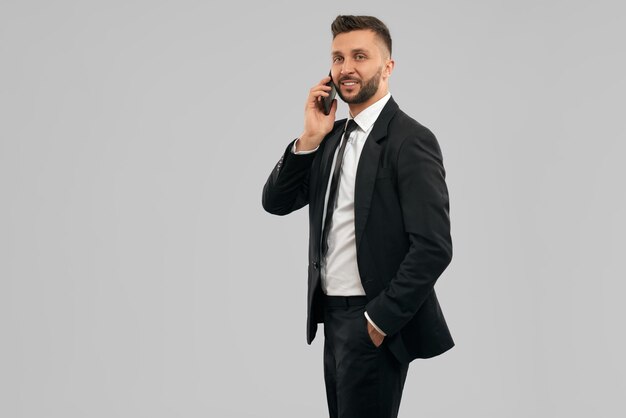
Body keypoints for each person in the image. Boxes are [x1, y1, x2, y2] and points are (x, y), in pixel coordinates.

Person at [262, 15, 454, 418]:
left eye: (360, 56)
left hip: (373, 318)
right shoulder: (329, 139)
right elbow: (275, 202)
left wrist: (380, 319)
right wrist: (309, 138)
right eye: (338, 58)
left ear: (387, 68)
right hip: (331, 316)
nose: (346, 68)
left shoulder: (410, 140)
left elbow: (433, 247)